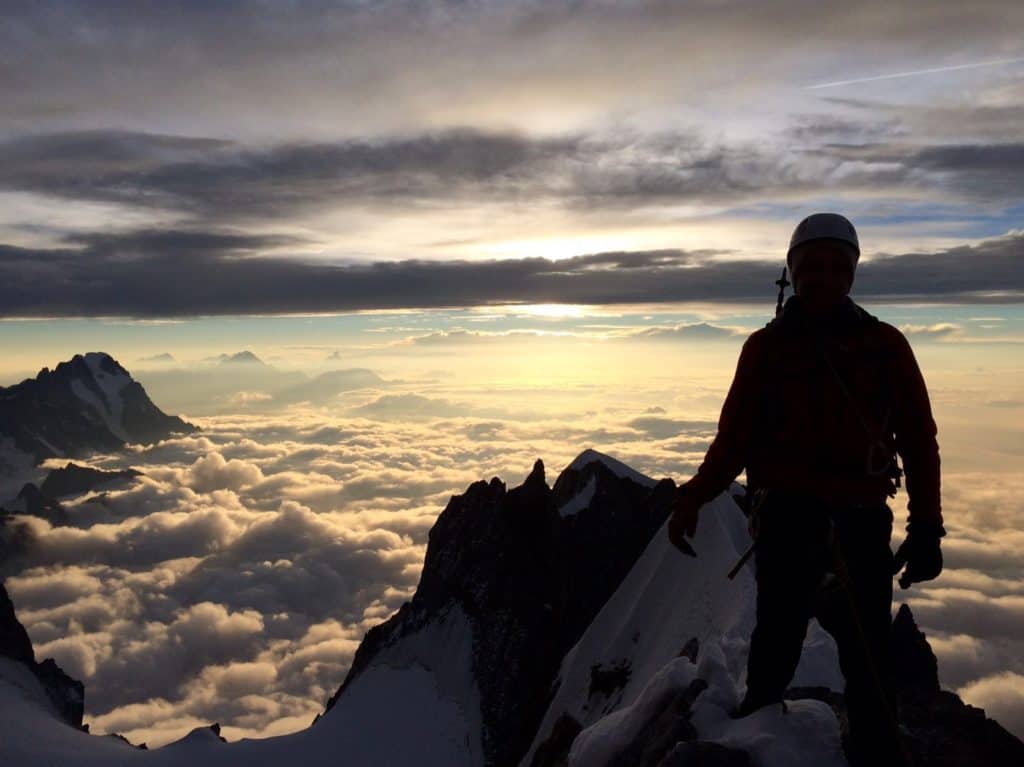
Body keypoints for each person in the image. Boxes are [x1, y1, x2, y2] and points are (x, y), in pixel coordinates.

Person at [667, 212, 944, 767]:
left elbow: (918, 441)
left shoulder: (877, 346)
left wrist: (927, 528)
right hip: (802, 523)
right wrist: (693, 496)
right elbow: (733, 441)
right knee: (785, 647)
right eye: (811, 267)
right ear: (792, 273)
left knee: (861, 664)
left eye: (834, 267)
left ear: (851, 274)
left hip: (837, 525)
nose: (822, 278)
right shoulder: (784, 348)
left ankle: (860, 751)